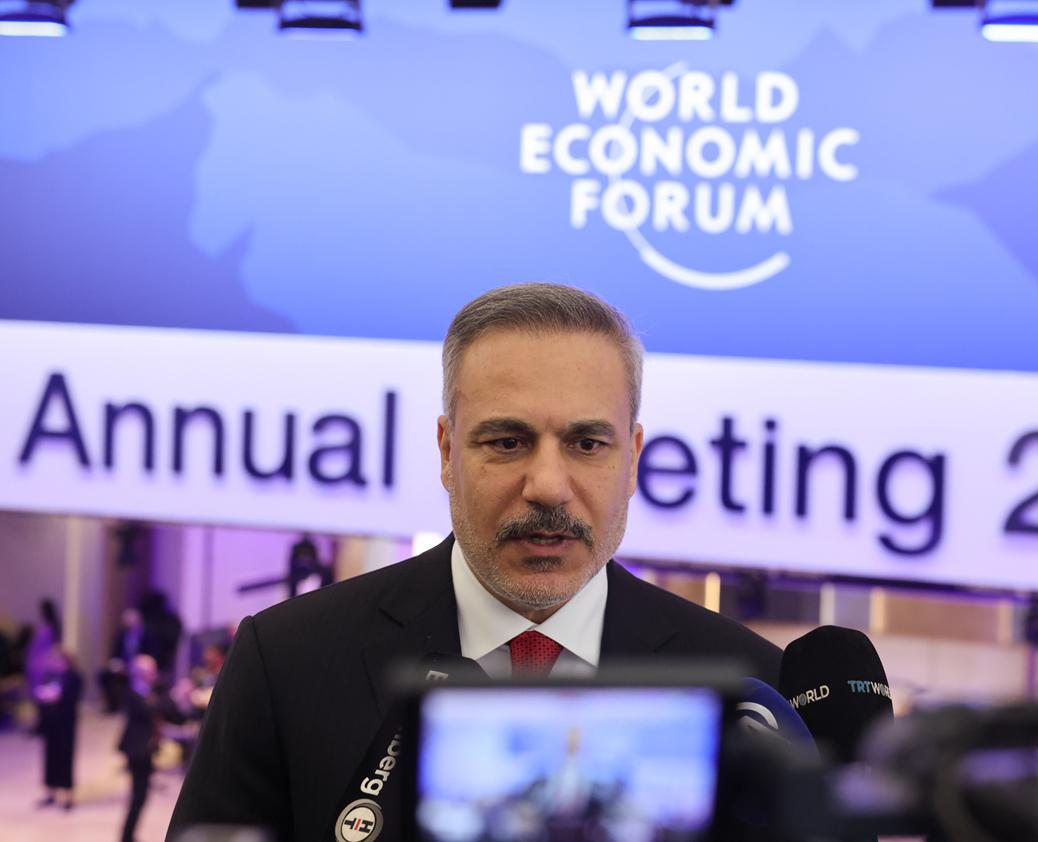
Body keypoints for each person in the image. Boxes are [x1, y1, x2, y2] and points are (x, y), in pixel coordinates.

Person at [169, 283, 782, 842]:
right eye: (507, 442)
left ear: (633, 459)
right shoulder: (287, 662)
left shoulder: (754, 687)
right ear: (446, 452)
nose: (548, 486)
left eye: (587, 443)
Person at [119, 654, 167, 842]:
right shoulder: (134, 692)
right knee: (138, 795)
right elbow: (148, 710)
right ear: (140, 673)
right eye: (151, 672)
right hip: (137, 750)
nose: (155, 675)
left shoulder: (147, 691)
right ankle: (127, 836)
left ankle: (129, 835)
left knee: (141, 796)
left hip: (145, 749)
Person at [33, 645, 82, 811]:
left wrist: (56, 696)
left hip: (65, 724)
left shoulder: (74, 677)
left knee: (65, 758)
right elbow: (41, 693)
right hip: (51, 724)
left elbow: (71, 697)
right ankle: (51, 792)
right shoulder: (50, 676)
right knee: (50, 758)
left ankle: (68, 795)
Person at [99, 608, 146, 714]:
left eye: (131, 621)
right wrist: (118, 664)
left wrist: (137, 664)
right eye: (127, 622)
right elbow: (114, 653)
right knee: (103, 675)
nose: (129, 624)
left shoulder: (145, 635)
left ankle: (133, 707)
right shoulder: (121, 635)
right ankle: (113, 706)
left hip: (139, 666)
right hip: (122, 666)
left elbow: (151, 653)